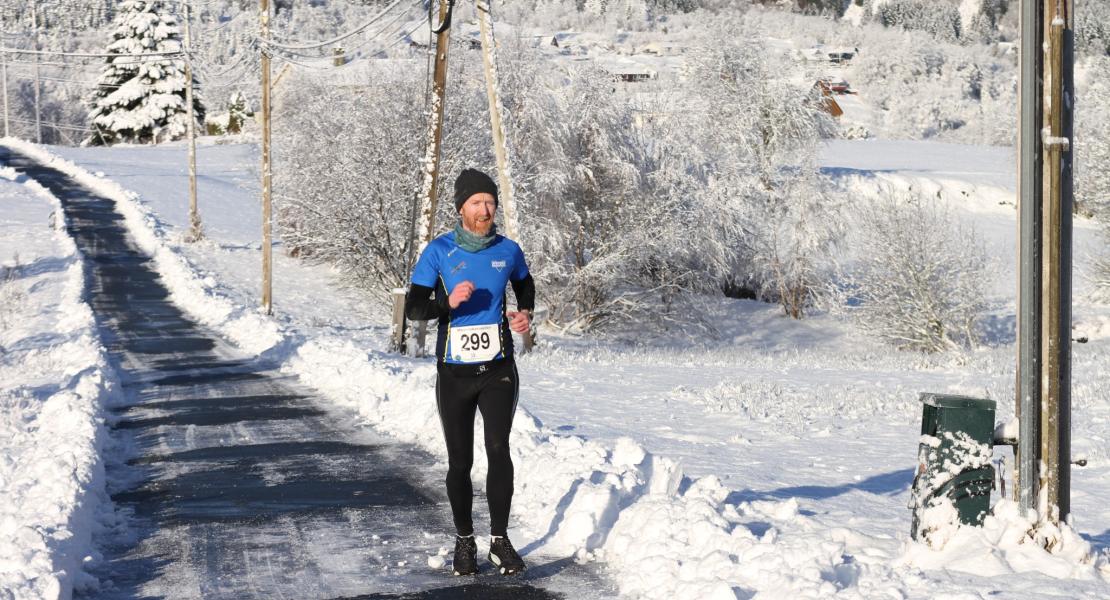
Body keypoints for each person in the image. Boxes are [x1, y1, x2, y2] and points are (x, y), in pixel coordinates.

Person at [405, 168, 535, 576]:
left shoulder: (508, 250)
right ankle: (465, 541)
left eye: (491, 203)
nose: (486, 210)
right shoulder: (439, 252)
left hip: (498, 368)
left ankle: (500, 540)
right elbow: (414, 309)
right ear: (462, 207)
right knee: (460, 462)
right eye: (478, 203)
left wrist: (524, 313)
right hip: (455, 373)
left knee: (499, 449)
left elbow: (525, 284)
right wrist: (447, 303)